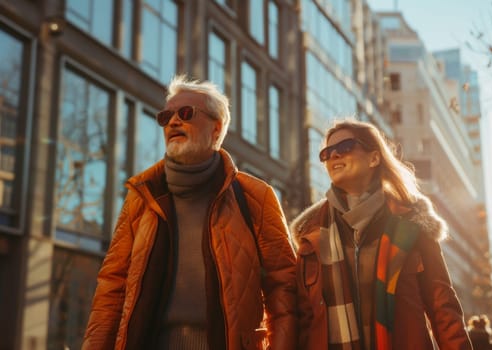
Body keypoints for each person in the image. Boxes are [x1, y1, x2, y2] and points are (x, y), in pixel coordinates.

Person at [82, 75, 297, 350]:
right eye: (166, 116)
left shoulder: (256, 196)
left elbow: (285, 291)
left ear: (216, 129)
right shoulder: (142, 195)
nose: (173, 122)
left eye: (185, 113)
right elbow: (111, 289)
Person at [291, 118, 472, 349]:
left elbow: (443, 310)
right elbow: (303, 322)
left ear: (374, 158)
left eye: (345, 147)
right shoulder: (312, 237)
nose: (334, 156)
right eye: (327, 153)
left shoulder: (412, 226)